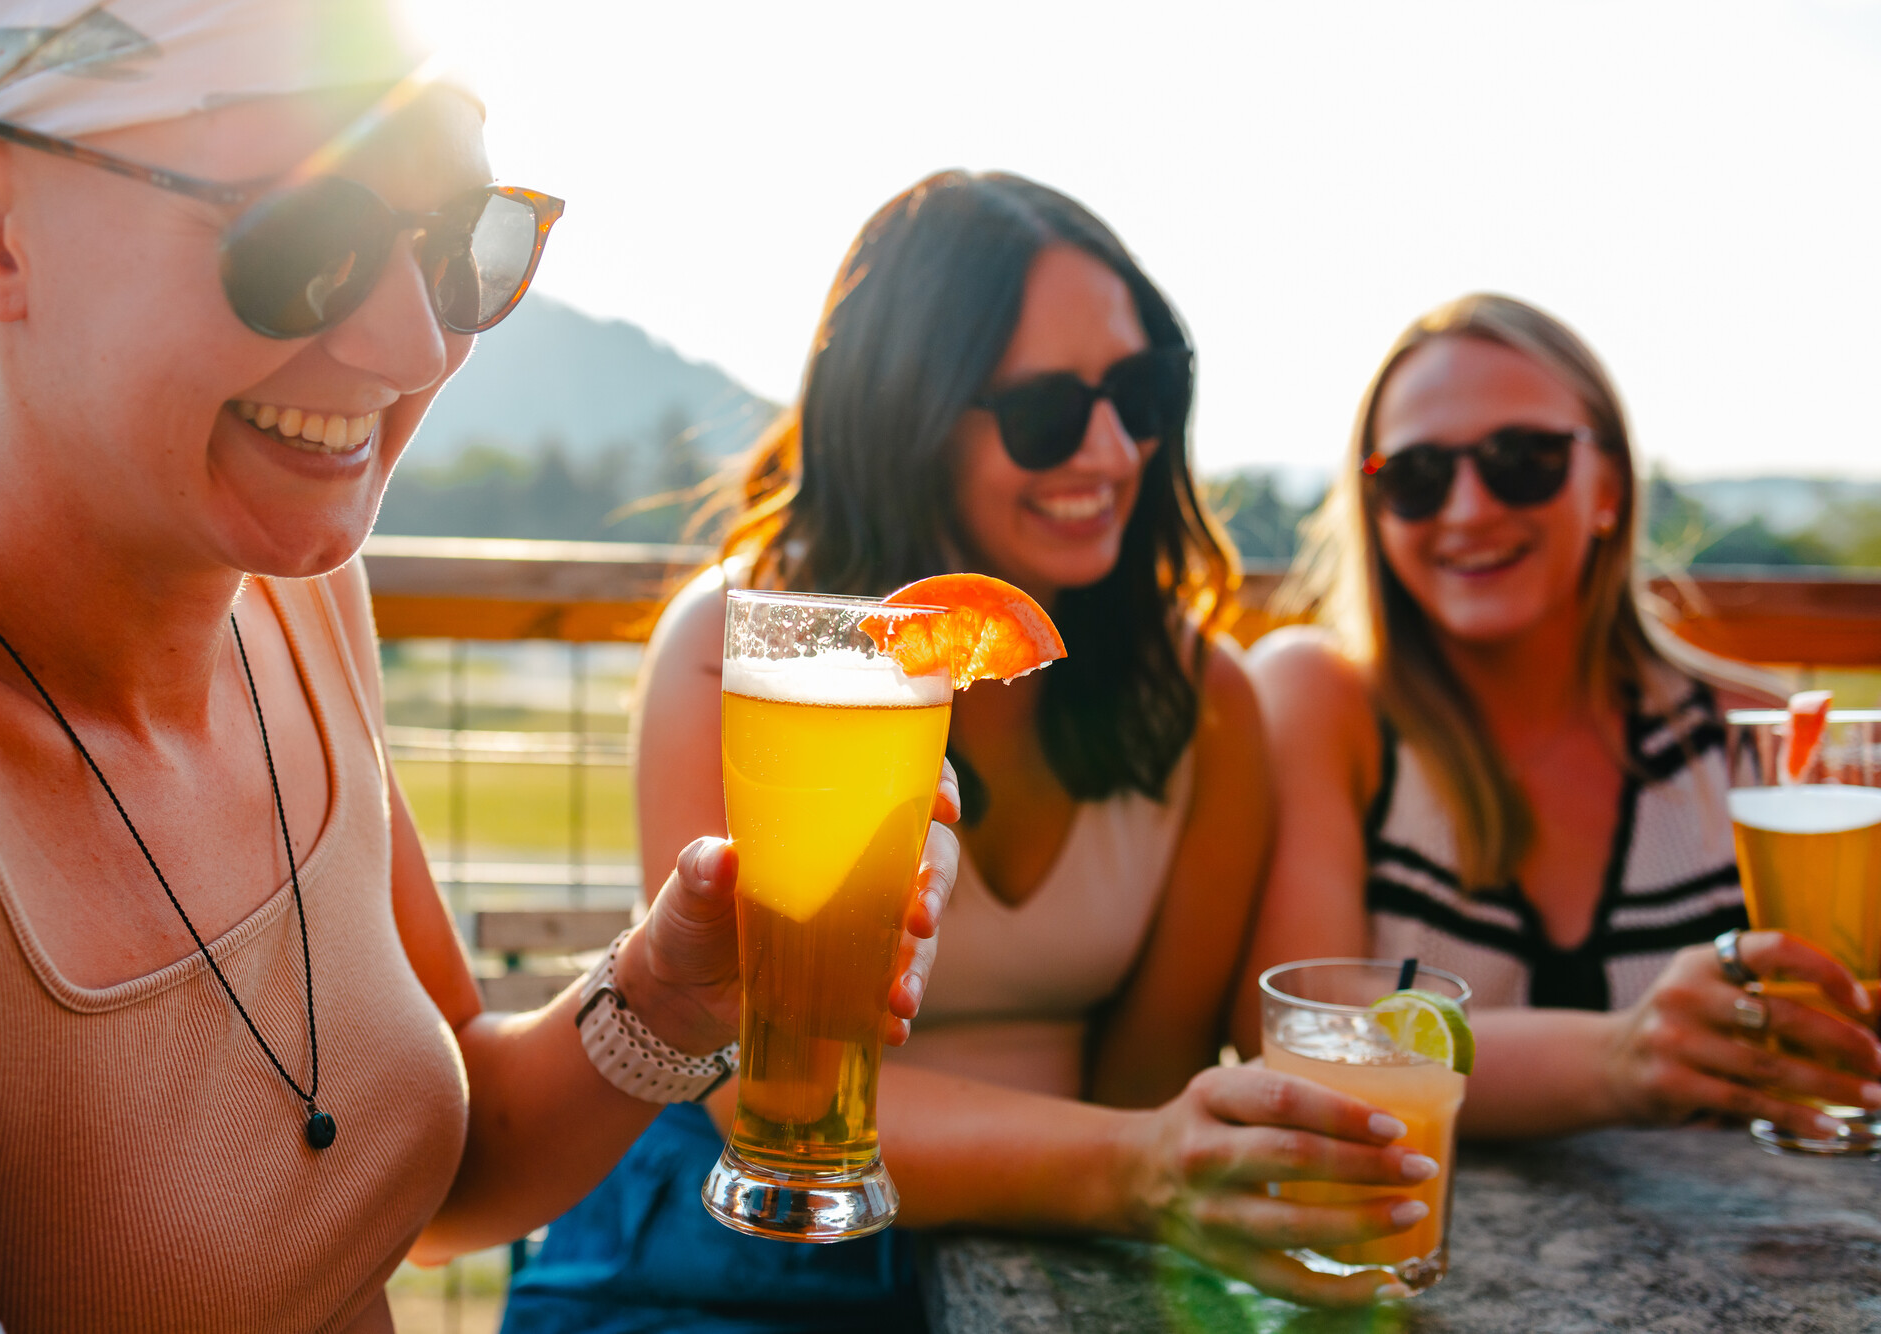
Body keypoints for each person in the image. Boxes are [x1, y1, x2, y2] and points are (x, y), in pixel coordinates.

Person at [0, 5, 961, 1330]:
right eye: (307, 236)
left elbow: (440, 1172)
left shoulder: (300, 602)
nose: (415, 345)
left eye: (461, 244)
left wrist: (670, 993)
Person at [503, 171, 1449, 1332]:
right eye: (1047, 409)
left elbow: (1137, 1089)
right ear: (906, 412)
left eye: (1142, 391)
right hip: (723, 1245)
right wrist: (1137, 1165)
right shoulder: (745, 650)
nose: (1110, 449)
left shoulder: (1205, 700)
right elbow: (757, 1083)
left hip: (1054, 1239)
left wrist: (1139, 1174)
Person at [1240, 292, 1881, 1138]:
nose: (1468, 508)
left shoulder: (1757, 739)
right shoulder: (1325, 699)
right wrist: (1623, 1058)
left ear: (1609, 483)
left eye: (1522, 458)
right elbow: (1305, 1019)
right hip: (1415, 1242)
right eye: (1416, 476)